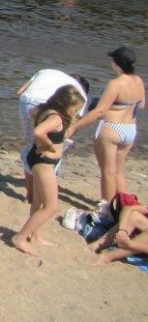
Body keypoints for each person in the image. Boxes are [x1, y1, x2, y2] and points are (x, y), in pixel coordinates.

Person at [11, 84, 86, 256]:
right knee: (52, 207)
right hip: (43, 162)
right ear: (64, 104)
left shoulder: (45, 109)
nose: (75, 113)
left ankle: (35, 235)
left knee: (39, 202)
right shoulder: (56, 118)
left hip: (39, 159)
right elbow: (38, 131)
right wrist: (49, 144)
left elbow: (32, 113)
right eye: (74, 110)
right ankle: (20, 238)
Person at [69, 46, 145, 210]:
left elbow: (99, 111)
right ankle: (126, 207)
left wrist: (74, 127)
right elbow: (142, 105)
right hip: (130, 130)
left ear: (117, 64)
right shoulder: (138, 80)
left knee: (108, 172)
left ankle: (107, 209)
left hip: (111, 129)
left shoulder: (115, 83)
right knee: (118, 171)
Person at [16, 69, 90, 202]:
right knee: (54, 148)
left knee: (30, 146)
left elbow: (20, 92)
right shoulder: (80, 97)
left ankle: (30, 193)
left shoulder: (46, 72)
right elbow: (70, 130)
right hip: (49, 106)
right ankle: (45, 185)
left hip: (28, 101)